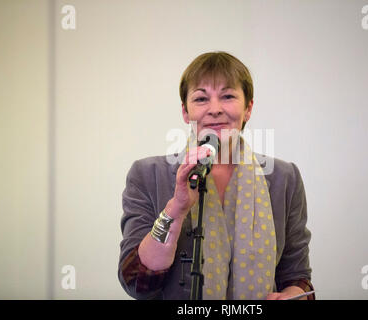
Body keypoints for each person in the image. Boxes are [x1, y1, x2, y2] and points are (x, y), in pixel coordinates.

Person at [118, 51, 315, 300]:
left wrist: (293, 294)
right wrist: (176, 209)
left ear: (248, 108)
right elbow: (137, 283)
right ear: (185, 112)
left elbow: (298, 277)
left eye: (228, 96)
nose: (215, 109)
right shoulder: (147, 175)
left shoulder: (284, 179)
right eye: (201, 99)